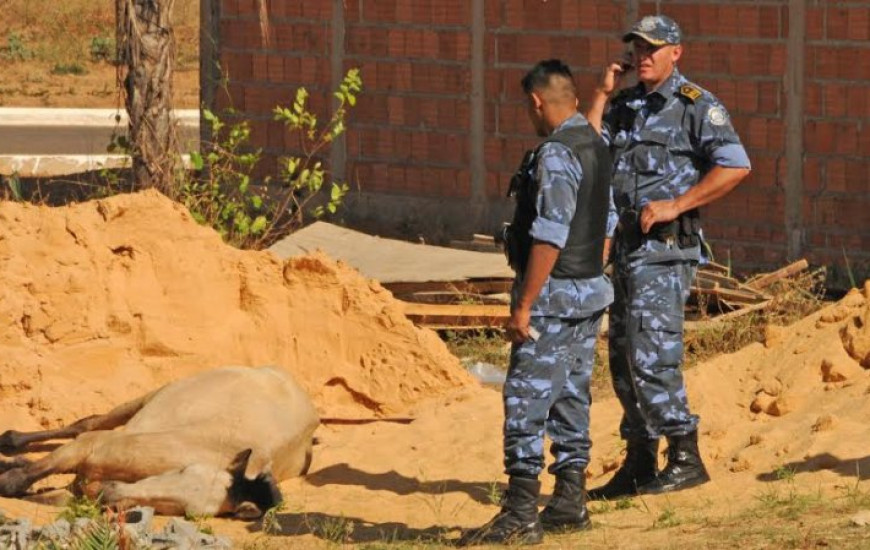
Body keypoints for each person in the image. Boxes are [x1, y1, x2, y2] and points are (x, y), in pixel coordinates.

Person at [583, 14, 751, 500]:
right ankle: (639, 460)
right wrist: (601, 92)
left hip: (665, 252)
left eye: (652, 48)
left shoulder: (695, 105)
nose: (642, 56)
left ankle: (685, 455)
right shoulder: (626, 104)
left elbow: (737, 165)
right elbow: (588, 152)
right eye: (636, 47)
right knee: (621, 358)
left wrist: (677, 204)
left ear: (676, 52)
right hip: (627, 249)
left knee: (652, 354)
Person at [458, 59, 615, 546]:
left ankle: (521, 513)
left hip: (553, 297)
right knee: (570, 394)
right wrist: (589, 274)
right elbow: (607, 224)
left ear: (536, 101)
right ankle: (570, 500)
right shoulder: (596, 143)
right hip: (588, 292)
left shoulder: (555, 154)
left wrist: (525, 303)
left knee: (525, 400)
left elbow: (549, 234)